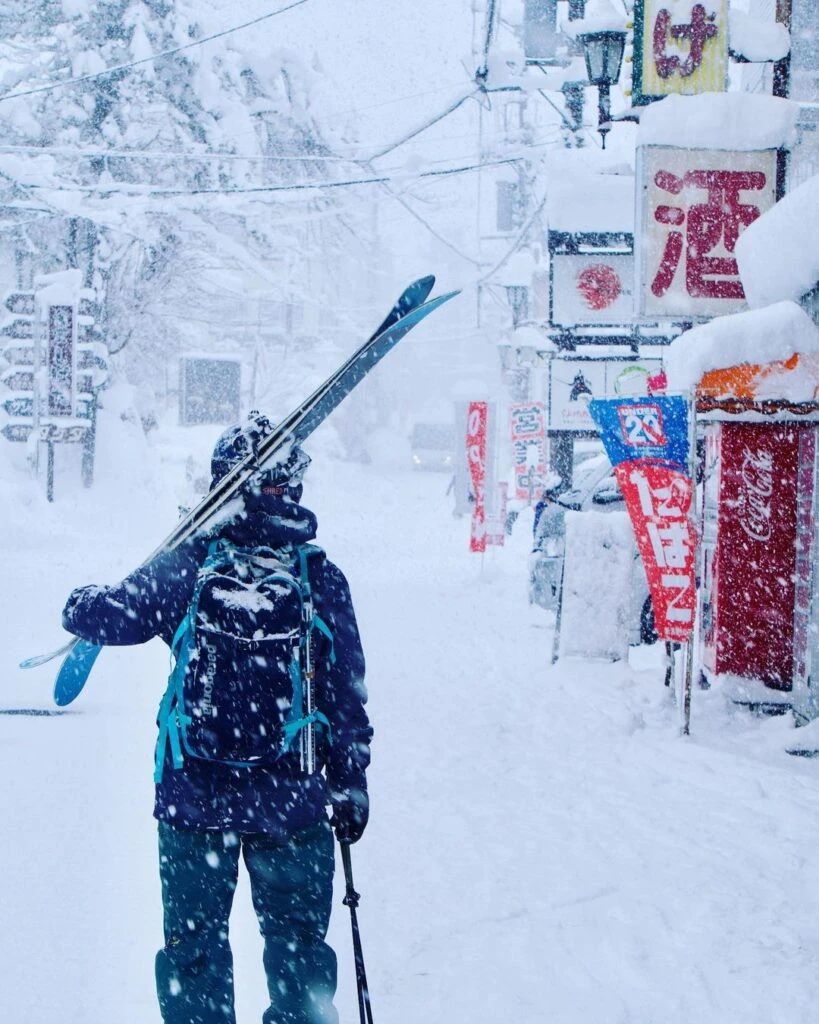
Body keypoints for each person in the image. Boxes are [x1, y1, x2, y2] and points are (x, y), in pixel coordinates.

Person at [61, 413, 372, 1024]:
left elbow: (107, 617)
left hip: (194, 802)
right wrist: (351, 780)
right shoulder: (317, 578)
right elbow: (345, 692)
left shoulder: (188, 568)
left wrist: (78, 603)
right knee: (299, 953)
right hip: (293, 801)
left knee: (193, 954)